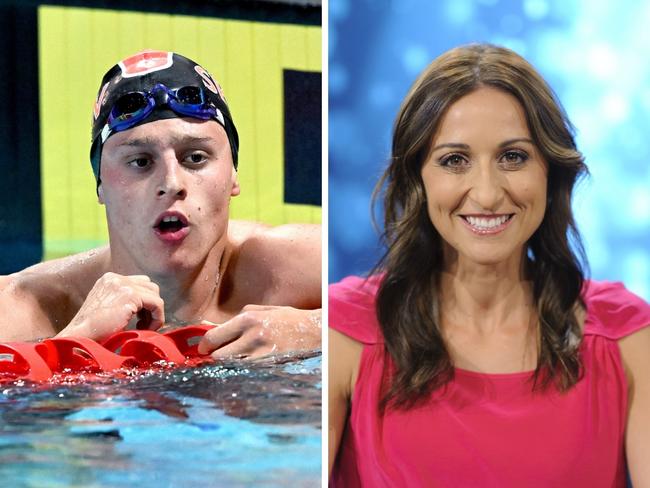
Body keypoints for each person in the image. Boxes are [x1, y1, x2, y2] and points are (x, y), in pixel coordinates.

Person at [329, 44, 650, 487]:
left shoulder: (628, 337)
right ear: (418, 177)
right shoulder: (344, 333)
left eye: (513, 157)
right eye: (454, 161)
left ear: (550, 171)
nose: (486, 193)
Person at [0, 50, 321, 359]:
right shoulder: (22, 306)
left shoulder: (292, 269)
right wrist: (75, 340)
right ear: (100, 184)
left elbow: (372, 303)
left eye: (195, 158)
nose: (171, 183)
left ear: (233, 174)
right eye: (140, 162)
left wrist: (315, 330)